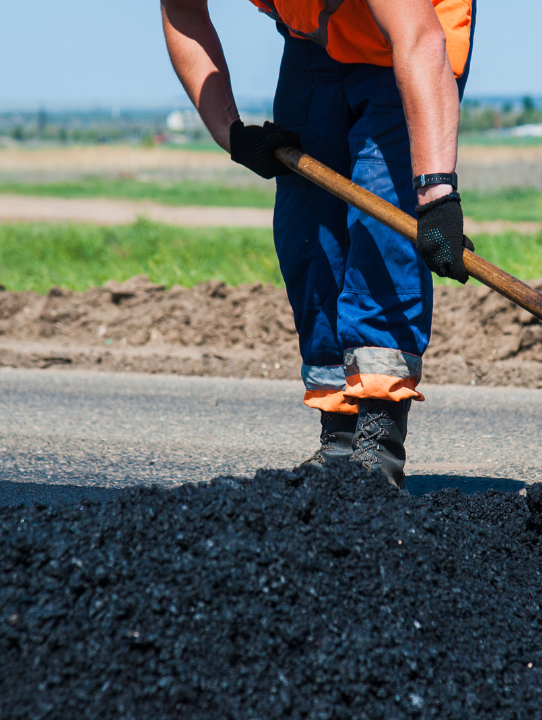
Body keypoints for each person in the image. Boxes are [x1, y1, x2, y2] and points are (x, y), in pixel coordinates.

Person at [161, 0, 475, 489]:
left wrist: (436, 197)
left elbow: (419, 39)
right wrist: (233, 136)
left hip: (411, 34)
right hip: (317, 42)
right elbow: (183, 13)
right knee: (307, 233)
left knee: (381, 227)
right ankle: (340, 439)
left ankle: (379, 440)